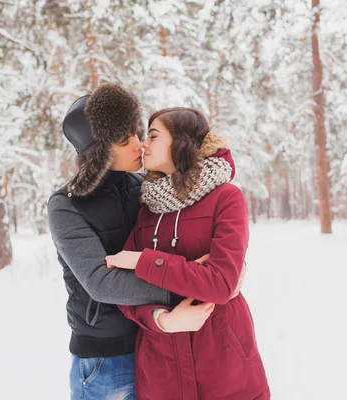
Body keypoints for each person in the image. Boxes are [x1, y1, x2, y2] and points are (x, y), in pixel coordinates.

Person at [48, 85, 213, 400]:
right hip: (104, 359)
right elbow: (101, 282)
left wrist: (225, 264)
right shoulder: (66, 206)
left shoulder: (143, 187)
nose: (139, 145)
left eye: (138, 134)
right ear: (99, 155)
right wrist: (190, 283)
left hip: (154, 342)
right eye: (125, 142)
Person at [106, 107, 270, 399]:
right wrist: (161, 319)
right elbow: (121, 290)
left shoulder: (226, 198)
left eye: (153, 136)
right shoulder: (147, 209)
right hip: (160, 372)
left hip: (222, 364)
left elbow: (221, 284)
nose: (143, 144)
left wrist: (144, 261)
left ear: (181, 142)